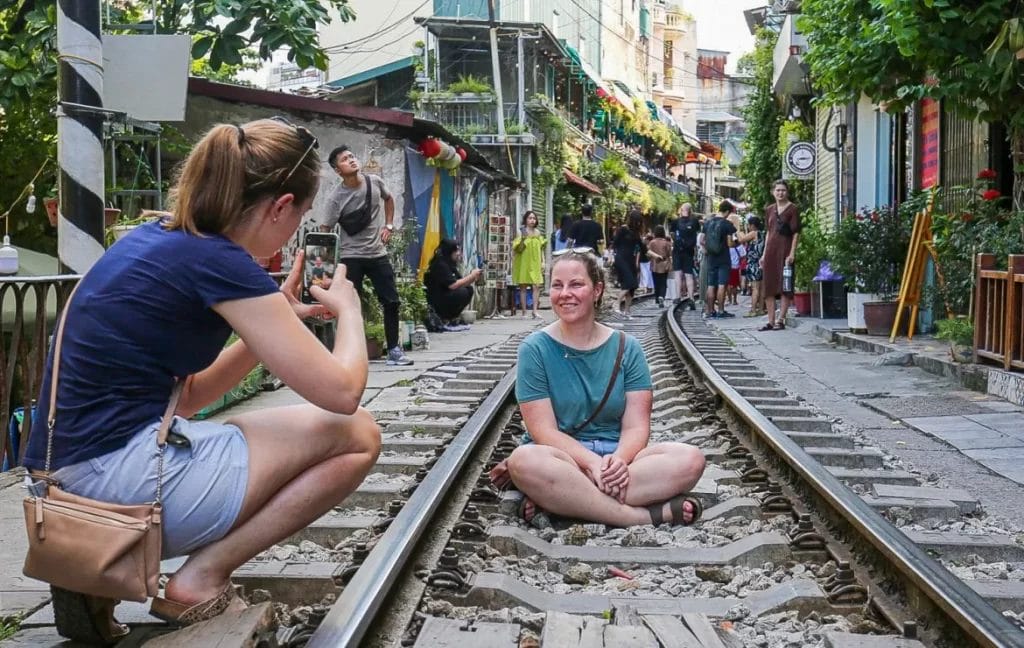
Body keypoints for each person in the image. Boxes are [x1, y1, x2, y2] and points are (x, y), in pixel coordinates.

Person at [23, 118, 381, 633]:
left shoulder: (155, 238)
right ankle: (201, 578)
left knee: (232, 431)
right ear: (281, 206)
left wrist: (268, 329)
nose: (296, 228)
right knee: (358, 434)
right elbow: (343, 393)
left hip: (63, 481)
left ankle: (93, 574)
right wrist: (350, 310)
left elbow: (187, 398)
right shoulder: (221, 261)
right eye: (301, 215)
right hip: (117, 481)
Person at [488, 250, 706, 527]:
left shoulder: (628, 348)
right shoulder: (534, 349)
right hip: (562, 458)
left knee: (690, 459)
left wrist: (617, 462)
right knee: (524, 460)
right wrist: (591, 463)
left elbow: (636, 426)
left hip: (620, 460)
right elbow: (543, 431)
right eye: (557, 285)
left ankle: (568, 500)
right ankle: (638, 516)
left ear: (597, 290)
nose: (565, 294)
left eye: (576, 284)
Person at [324, 145, 413, 365]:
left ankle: (394, 350)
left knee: (391, 301)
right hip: (350, 257)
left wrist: (389, 225)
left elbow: (389, 199)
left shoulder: (374, 182)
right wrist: (326, 267)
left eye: (352, 156)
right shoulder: (336, 198)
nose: (351, 160)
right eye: (345, 159)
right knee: (350, 306)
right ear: (338, 170)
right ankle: (350, 354)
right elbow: (325, 230)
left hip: (377, 254)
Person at [760, 179, 802, 331]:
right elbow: (768, 232)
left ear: (787, 192)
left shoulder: (793, 209)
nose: (780, 193)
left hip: (785, 250)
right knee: (769, 286)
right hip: (771, 251)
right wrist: (764, 254)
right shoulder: (769, 210)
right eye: (777, 190)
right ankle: (770, 321)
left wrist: (792, 253)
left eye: (783, 190)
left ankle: (781, 320)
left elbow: (796, 232)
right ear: (773, 192)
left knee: (785, 285)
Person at [424, 239, 481, 329]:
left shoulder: (450, 264)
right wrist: (471, 276)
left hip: (445, 295)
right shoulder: (440, 264)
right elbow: (453, 285)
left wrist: (473, 277)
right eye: (456, 251)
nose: (458, 253)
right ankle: (444, 317)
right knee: (462, 293)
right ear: (449, 251)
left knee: (469, 289)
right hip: (437, 299)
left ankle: (451, 318)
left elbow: (460, 282)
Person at [702, 200, 738, 319]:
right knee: (722, 284)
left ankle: (710, 311)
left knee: (711, 285)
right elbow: (730, 243)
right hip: (723, 258)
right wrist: (736, 244)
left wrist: (707, 250)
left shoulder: (707, 223)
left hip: (711, 258)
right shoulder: (727, 224)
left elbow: (702, 240)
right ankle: (721, 311)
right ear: (727, 211)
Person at [512, 211, 545, 319]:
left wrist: (543, 261)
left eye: (534, 218)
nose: (532, 220)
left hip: (535, 262)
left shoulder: (538, 233)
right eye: (530, 218)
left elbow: (541, 248)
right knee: (523, 287)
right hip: (524, 261)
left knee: (536, 285)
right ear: (526, 220)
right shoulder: (521, 232)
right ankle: (524, 312)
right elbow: (518, 249)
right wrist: (523, 239)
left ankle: (535, 311)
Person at [612, 211, 644, 318]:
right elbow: (615, 243)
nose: (638, 224)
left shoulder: (636, 233)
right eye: (637, 222)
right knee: (630, 283)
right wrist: (612, 256)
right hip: (621, 259)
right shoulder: (623, 229)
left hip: (631, 260)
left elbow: (643, 248)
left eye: (639, 222)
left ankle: (627, 311)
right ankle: (616, 303)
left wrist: (656, 256)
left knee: (632, 288)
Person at [668, 203, 699, 309]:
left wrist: (678, 241)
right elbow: (696, 234)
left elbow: (672, 234)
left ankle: (678, 296)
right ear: (690, 210)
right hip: (689, 251)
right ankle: (691, 298)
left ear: (681, 210)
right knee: (688, 275)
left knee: (678, 274)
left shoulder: (675, 221)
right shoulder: (694, 221)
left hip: (677, 250)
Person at [738, 215, 766, 317]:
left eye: (749, 225)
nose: (748, 227)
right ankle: (761, 309)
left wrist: (738, 230)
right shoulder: (763, 234)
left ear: (753, 225)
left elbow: (741, 239)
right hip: (761, 263)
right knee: (761, 288)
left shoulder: (754, 233)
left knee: (755, 288)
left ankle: (753, 310)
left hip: (754, 263)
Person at [647, 225, 673, 307]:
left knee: (656, 282)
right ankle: (662, 296)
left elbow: (648, 254)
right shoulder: (666, 242)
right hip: (664, 264)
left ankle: (657, 298)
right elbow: (669, 253)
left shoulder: (652, 242)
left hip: (654, 264)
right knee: (663, 282)